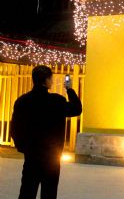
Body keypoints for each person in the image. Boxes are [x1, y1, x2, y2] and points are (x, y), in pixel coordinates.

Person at [10, 65, 82, 199]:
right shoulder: (57, 101)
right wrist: (70, 89)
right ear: (46, 80)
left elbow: (15, 128)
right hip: (52, 157)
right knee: (49, 192)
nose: (52, 81)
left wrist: (24, 148)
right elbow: (77, 109)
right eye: (51, 78)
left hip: (31, 155)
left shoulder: (22, 101)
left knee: (27, 191)